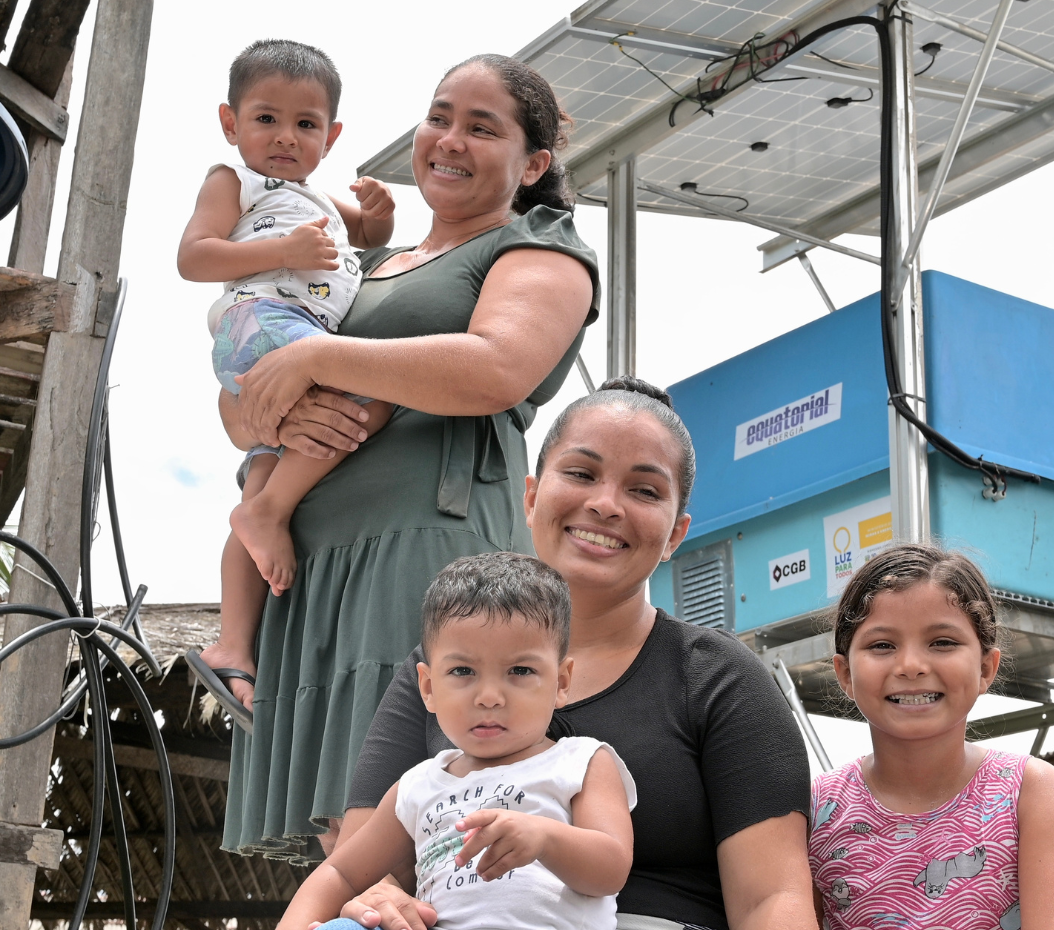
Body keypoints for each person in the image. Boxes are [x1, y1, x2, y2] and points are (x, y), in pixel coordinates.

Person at [216, 53, 601, 861]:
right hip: (309, 567)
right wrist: (273, 394)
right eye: (439, 116)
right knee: (339, 843)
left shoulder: (538, 248)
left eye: (481, 127)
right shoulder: (366, 266)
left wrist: (318, 363)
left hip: (423, 548)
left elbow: (495, 367)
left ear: (533, 163)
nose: (449, 140)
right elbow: (250, 393)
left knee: (415, 824)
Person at [334, 379, 817, 930]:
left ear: (676, 533)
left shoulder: (719, 678)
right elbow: (357, 871)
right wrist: (376, 900)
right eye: (582, 474)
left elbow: (772, 901)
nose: (605, 505)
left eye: (644, 491)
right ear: (533, 495)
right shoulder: (434, 668)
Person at [177, 39, 398, 724]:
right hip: (263, 323)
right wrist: (282, 251)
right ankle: (270, 514)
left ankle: (233, 645)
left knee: (263, 471)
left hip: (290, 340)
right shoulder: (233, 183)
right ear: (230, 123)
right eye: (266, 118)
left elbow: (364, 232)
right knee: (373, 388)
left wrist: (379, 213)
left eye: (305, 125)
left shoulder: (320, 198)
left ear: (330, 137)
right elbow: (193, 257)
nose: (284, 137)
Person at [283, 553, 638, 930]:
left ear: (561, 683)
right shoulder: (418, 786)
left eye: (520, 670)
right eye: (462, 671)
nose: (488, 696)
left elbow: (612, 867)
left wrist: (545, 838)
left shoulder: (581, 762)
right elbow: (340, 873)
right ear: (429, 687)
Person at [809, 544, 1054, 930]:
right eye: (882, 645)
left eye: (942, 642)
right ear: (844, 674)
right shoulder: (815, 810)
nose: (911, 666)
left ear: (985, 668)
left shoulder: (1031, 793)